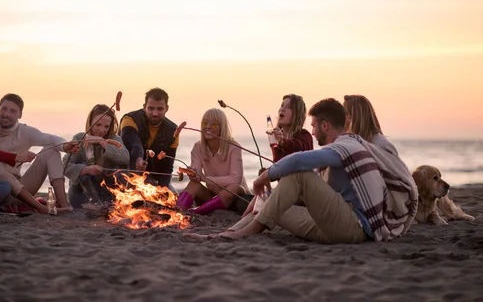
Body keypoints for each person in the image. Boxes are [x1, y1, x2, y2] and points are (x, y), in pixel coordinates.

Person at [186, 98, 418, 243]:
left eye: (314, 125)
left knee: (299, 174)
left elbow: (299, 161)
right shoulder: (339, 150)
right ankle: (226, 234)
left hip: (354, 227)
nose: (313, 131)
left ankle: (245, 233)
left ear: (325, 125)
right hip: (332, 226)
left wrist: (266, 176)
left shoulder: (347, 145)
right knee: (268, 203)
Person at [0, 93, 79, 214]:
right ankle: (42, 208)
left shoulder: (24, 132)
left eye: (13, 111)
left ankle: (63, 204)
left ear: (20, 114)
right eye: (4, 109)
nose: (7, 114)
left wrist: (65, 146)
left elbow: (50, 138)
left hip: (19, 192)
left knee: (51, 150)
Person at [233, 94, 313, 222]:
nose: (282, 109)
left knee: (264, 201)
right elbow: (279, 166)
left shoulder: (304, 136)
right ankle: (243, 220)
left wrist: (282, 142)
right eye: (281, 106)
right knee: (258, 196)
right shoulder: (276, 139)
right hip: (285, 190)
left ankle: (244, 223)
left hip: (301, 194)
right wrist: (267, 175)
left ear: (297, 113)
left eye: (288, 107)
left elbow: (299, 149)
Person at [176, 108, 249, 214]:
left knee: (234, 187)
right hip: (213, 197)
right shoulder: (198, 147)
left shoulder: (234, 147)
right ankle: (178, 212)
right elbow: (197, 176)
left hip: (238, 198)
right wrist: (194, 174)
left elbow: (236, 179)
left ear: (222, 128)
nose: (208, 127)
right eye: (205, 123)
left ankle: (196, 212)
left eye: (214, 124)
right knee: (193, 184)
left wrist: (206, 179)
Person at [63, 104, 130, 208]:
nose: (101, 130)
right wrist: (86, 169)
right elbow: (65, 166)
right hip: (81, 194)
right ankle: (96, 205)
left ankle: (113, 205)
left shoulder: (113, 139)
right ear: (90, 122)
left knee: (120, 169)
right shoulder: (80, 138)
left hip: (105, 193)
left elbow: (125, 158)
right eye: (98, 125)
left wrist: (102, 142)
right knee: (84, 170)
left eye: (106, 126)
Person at [120, 88, 179, 191]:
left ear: (167, 108)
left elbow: (167, 169)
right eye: (151, 108)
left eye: (160, 109)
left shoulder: (174, 131)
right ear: (144, 107)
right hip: (126, 175)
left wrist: (162, 189)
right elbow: (134, 144)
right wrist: (138, 158)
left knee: (173, 198)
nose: (155, 113)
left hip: (153, 180)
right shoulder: (129, 119)